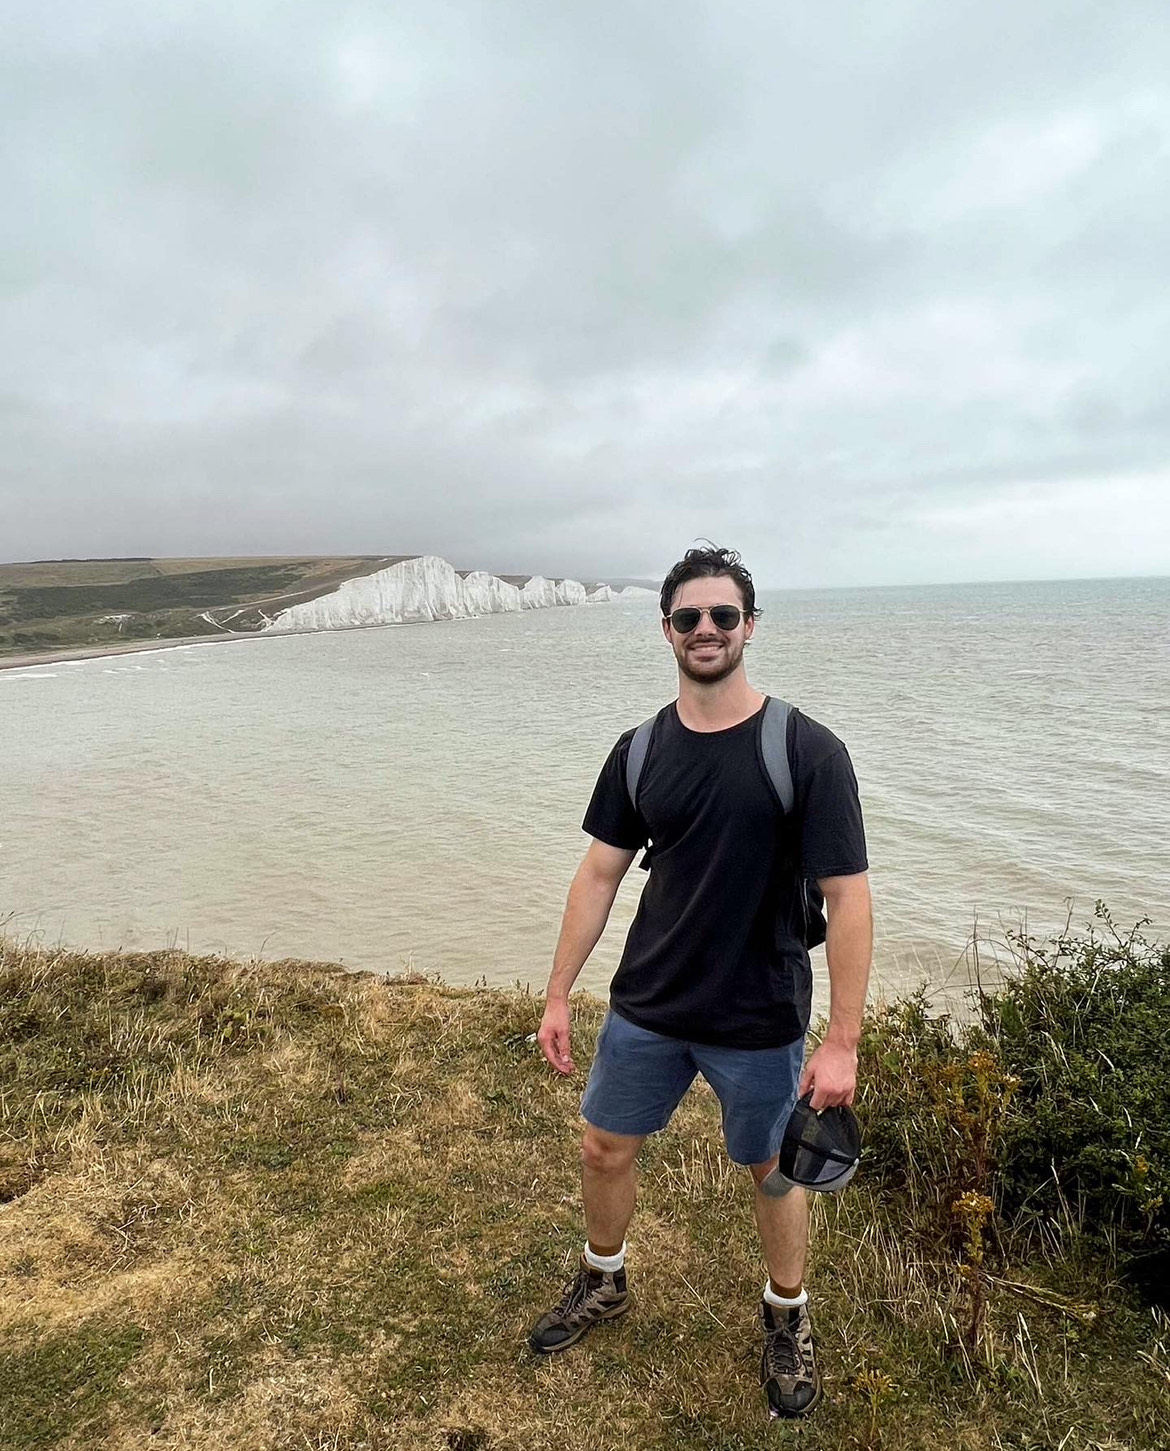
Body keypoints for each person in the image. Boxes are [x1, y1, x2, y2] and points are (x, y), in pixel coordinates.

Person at [527, 544, 871, 1420]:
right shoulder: (639, 751)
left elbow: (849, 896)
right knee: (603, 1146)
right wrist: (561, 990)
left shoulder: (807, 749)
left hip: (759, 1013)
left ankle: (786, 1317)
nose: (706, 629)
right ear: (668, 630)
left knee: (773, 1171)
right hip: (650, 1002)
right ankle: (604, 1278)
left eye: (723, 615)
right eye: (689, 617)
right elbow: (599, 874)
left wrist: (841, 1040)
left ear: (749, 626)